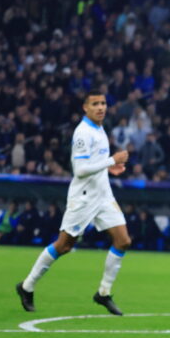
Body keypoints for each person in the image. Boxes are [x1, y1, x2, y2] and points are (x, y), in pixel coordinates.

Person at [15, 88, 131, 316]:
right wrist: (111, 159)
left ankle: (104, 293)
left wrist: (110, 166)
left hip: (103, 194)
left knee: (123, 240)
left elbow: (94, 163)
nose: (101, 108)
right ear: (85, 108)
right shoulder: (82, 133)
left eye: (103, 103)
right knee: (64, 245)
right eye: (95, 104)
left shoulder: (99, 129)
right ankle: (27, 286)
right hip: (84, 197)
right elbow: (79, 170)